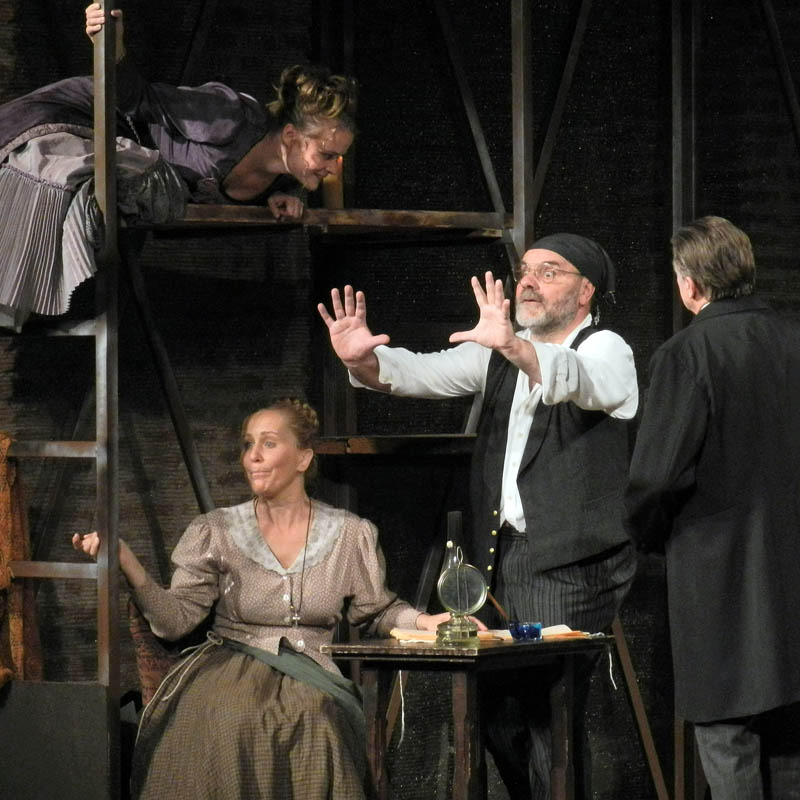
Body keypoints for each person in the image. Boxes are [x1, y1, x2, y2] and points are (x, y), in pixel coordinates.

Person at [317, 233, 639, 799]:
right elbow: (420, 372)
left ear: (586, 290)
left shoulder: (606, 348)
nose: (529, 282)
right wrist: (363, 361)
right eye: (525, 271)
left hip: (571, 563)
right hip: (500, 560)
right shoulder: (499, 352)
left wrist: (513, 346)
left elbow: (584, 383)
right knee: (496, 719)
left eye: (550, 272)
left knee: (547, 722)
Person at [72, 397, 452, 799]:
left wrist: (424, 622)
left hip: (313, 669)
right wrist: (127, 561)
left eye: (268, 443)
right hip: (228, 668)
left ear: (303, 458)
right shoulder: (217, 531)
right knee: (226, 716)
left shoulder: (348, 534)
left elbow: (378, 609)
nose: (253, 456)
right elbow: (174, 621)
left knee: (316, 719)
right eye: (248, 444)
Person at [0, 4, 356, 330]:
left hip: (126, 162)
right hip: (89, 117)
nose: (333, 168)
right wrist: (113, 45)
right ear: (291, 135)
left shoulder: (282, 184)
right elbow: (138, 99)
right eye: (327, 155)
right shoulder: (231, 117)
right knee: (57, 173)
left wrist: (275, 202)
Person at [625, 216, 800, 799]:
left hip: (718, 578)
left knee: (726, 738)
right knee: (789, 739)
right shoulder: (794, 340)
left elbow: (656, 477)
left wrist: (650, 537)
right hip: (792, 577)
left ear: (690, 285)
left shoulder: (687, 353)